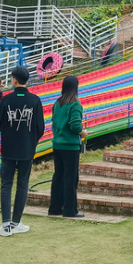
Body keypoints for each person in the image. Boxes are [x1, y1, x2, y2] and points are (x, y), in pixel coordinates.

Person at [0, 66, 45, 237]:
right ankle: (16, 222)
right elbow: (40, 128)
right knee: (22, 184)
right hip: (27, 148)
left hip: (8, 147)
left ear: (15, 80)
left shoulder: (6, 100)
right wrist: (30, 141)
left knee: (6, 184)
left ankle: (5, 223)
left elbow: (1, 124)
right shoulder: (35, 100)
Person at [49, 76, 86, 218]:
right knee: (71, 178)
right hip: (70, 146)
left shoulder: (57, 103)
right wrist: (83, 133)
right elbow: (75, 125)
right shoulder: (75, 104)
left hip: (57, 144)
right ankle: (70, 210)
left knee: (58, 176)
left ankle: (54, 208)